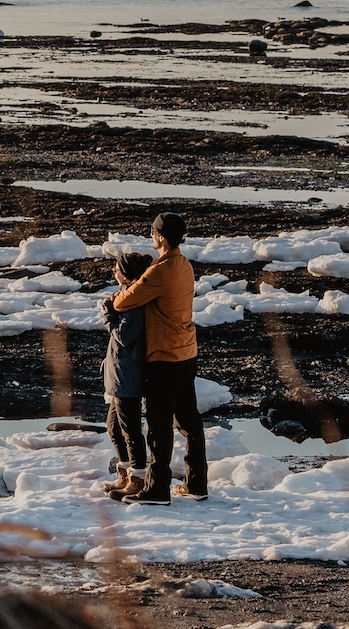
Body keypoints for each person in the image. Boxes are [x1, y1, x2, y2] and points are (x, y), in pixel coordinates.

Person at [108, 212, 207, 505]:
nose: (151, 237)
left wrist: (114, 299)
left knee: (159, 424)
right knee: (189, 420)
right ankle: (196, 483)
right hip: (186, 350)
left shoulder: (159, 271)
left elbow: (123, 301)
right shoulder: (185, 265)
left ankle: (157, 489)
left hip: (164, 356)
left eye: (152, 233)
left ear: (161, 238)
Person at [99, 250, 150, 499]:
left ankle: (138, 478)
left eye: (117, 269)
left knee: (129, 429)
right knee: (114, 427)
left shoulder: (134, 303)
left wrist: (109, 314)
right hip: (119, 373)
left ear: (127, 275)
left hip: (128, 374)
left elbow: (124, 336)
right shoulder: (126, 297)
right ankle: (125, 473)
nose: (113, 272)